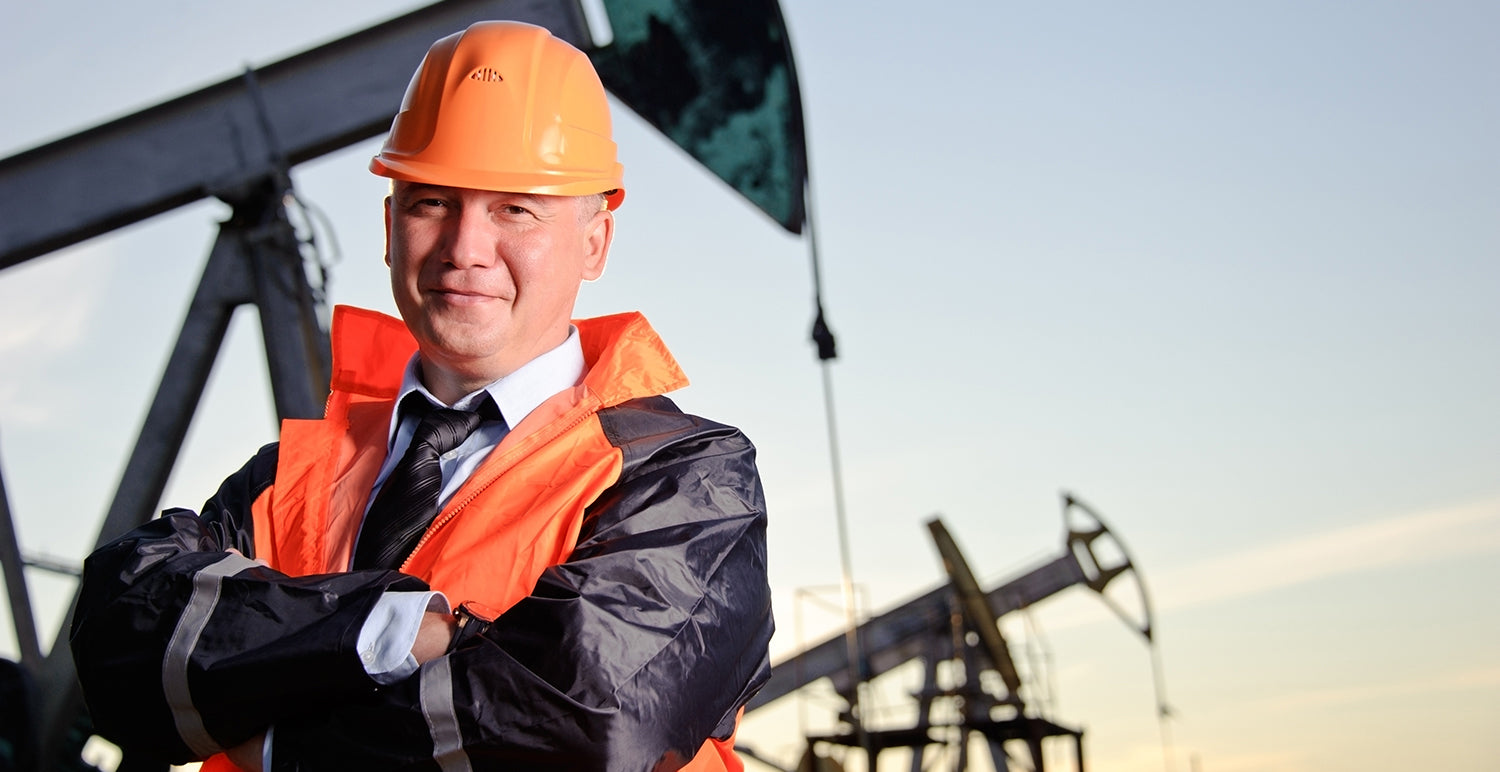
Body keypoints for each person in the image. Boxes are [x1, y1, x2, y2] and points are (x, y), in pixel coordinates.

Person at [68, 20, 773, 772]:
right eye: (432, 202)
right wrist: (393, 630)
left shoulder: (688, 480)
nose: (464, 248)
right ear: (389, 225)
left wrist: (272, 742)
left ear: (594, 242)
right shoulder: (293, 476)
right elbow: (122, 636)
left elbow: (580, 723)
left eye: (515, 209)